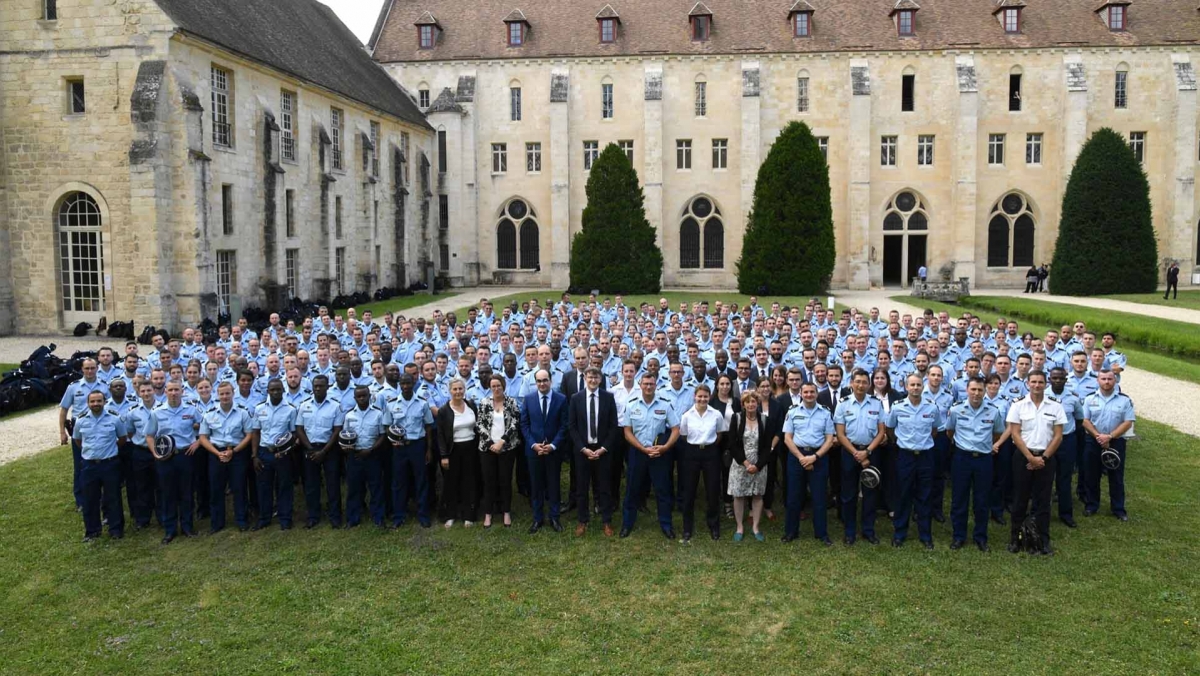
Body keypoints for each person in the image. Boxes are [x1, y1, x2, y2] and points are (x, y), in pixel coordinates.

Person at [1005, 370, 1067, 555]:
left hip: (1046, 458)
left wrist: (1044, 458)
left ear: (1046, 384)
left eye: (1040, 382)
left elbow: (1058, 436)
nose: (1037, 385)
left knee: (1043, 500)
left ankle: (1043, 540)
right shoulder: (1018, 405)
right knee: (1020, 499)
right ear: (1027, 383)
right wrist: (1030, 458)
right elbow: (1015, 433)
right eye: (1033, 382)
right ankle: (1015, 539)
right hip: (1023, 457)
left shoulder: (1055, 406)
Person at [945, 377, 1005, 552]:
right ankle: (958, 536)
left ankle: (980, 537)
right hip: (962, 458)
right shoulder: (956, 410)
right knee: (959, 499)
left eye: (980, 390)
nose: (977, 393)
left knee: (982, 499)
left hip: (984, 459)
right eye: (973, 390)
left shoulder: (993, 411)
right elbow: (950, 432)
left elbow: (997, 433)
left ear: (985, 391)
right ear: (967, 390)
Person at [621, 372, 681, 539]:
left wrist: (665, 447)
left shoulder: (665, 404)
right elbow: (627, 431)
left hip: (659, 454)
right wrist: (642, 448)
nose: (648, 387)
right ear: (640, 385)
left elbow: (676, 429)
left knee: (663, 490)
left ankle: (666, 525)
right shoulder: (632, 404)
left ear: (656, 385)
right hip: (638, 452)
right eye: (645, 384)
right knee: (632, 489)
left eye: (651, 384)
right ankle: (627, 524)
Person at [887, 374, 942, 549]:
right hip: (905, 455)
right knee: (903, 494)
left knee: (925, 495)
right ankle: (899, 533)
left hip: (925, 456)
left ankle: (925, 535)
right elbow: (890, 429)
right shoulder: (898, 407)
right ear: (906, 387)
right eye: (912, 385)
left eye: (919, 384)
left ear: (922, 386)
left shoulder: (932, 408)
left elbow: (935, 430)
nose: (916, 388)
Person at [833, 369, 887, 546]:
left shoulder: (876, 403)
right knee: (848, 494)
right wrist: (857, 453)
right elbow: (840, 434)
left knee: (871, 493)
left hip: (872, 453)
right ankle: (849, 532)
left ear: (869, 384)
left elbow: (881, 432)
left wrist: (868, 452)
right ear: (851, 383)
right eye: (858, 381)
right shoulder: (843, 404)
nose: (861, 385)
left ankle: (868, 530)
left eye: (864, 382)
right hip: (849, 453)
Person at [568, 367, 620, 536]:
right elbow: (572, 426)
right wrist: (582, 448)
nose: (592, 380)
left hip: (602, 450)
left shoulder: (608, 397)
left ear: (600, 379)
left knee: (604, 487)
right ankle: (582, 521)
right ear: (585, 378)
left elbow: (613, 426)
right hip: (583, 450)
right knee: (582, 488)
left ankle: (606, 521)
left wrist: (604, 448)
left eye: (596, 377)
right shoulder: (576, 398)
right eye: (590, 377)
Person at [781, 382, 835, 546]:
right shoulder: (793, 412)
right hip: (797, 457)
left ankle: (821, 533)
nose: (809, 395)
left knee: (819, 498)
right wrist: (801, 457)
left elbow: (829, 439)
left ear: (817, 394)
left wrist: (815, 457)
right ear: (801, 394)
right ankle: (791, 532)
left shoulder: (825, 413)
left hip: (818, 456)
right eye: (806, 392)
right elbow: (787, 438)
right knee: (794, 497)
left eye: (812, 392)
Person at [147, 380, 200, 545]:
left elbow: (204, 429)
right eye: (170, 390)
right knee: (167, 493)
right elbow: (149, 435)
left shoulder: (191, 410)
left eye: (176, 390)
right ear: (165, 392)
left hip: (185, 455)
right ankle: (170, 530)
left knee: (186, 492)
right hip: (165, 459)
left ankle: (187, 527)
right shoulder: (157, 412)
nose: (173, 393)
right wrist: (155, 453)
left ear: (182, 391)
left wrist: (197, 443)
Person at [198, 381, 253, 533]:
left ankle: (242, 520)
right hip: (216, 454)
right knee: (216, 489)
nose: (225, 396)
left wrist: (233, 452)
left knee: (239, 488)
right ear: (217, 395)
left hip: (237, 454)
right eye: (222, 394)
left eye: (227, 393)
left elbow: (249, 435)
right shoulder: (209, 414)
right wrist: (217, 453)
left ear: (233, 394)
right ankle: (217, 523)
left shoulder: (243, 412)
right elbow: (203, 437)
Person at [1081, 370, 1136, 521]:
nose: (1106, 382)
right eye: (1103, 379)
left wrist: (1110, 436)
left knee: (1116, 476)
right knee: (1092, 475)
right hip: (1093, 440)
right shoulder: (1089, 398)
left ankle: (1118, 509)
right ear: (1097, 381)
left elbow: (1128, 421)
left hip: (1116, 441)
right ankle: (1092, 505)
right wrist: (1098, 436)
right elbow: (1085, 420)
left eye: (1110, 379)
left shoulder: (1124, 400)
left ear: (1115, 381)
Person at [73, 390, 127, 542]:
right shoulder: (81, 420)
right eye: (92, 401)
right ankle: (92, 531)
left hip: (110, 464)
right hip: (89, 466)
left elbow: (122, 438)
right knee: (89, 499)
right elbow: (78, 440)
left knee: (113, 498)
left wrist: (110, 450)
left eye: (99, 401)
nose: (96, 404)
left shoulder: (114, 418)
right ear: (88, 403)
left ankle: (116, 529)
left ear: (104, 402)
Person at [520, 369, 569, 533]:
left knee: (554, 484)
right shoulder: (528, 399)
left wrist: (553, 445)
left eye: (545, 380)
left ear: (551, 381)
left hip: (553, 451)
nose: (542, 384)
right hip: (534, 451)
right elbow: (524, 425)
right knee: (536, 486)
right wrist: (534, 444)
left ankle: (554, 517)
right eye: (539, 381)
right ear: (535, 382)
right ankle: (537, 518)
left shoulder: (561, 399)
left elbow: (564, 425)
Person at [678, 384, 728, 542]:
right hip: (691, 452)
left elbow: (719, 434)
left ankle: (713, 525)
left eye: (705, 396)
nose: (702, 399)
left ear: (709, 397)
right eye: (699, 396)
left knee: (712, 490)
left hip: (710, 452)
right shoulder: (687, 415)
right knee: (689, 491)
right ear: (694, 396)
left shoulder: (716, 414)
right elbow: (684, 435)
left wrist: (708, 445)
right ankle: (687, 528)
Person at [383, 373, 434, 529]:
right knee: (398, 482)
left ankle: (423, 515)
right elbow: (386, 426)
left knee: (421, 481)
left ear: (413, 383)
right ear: (399, 384)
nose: (405, 386)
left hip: (417, 445)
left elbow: (428, 426)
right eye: (403, 383)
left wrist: (429, 449)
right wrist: (393, 440)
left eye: (408, 383)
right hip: (399, 448)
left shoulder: (422, 403)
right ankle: (399, 515)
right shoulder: (391, 404)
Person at [296, 375, 345, 529]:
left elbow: (337, 430)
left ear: (327, 386)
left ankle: (335, 516)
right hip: (310, 448)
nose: (318, 388)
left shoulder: (335, 406)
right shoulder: (304, 405)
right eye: (315, 386)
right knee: (311, 485)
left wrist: (323, 451)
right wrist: (310, 449)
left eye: (321, 386)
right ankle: (313, 516)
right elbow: (299, 428)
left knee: (333, 484)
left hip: (329, 450)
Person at [59, 358, 109, 510]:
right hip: (81, 430)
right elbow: (64, 409)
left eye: (93, 368)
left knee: (101, 463)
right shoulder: (74, 387)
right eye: (87, 368)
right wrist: (62, 431)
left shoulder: (104, 386)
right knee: (80, 465)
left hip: (101, 428)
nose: (90, 371)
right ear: (82, 369)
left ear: (97, 368)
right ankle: (81, 500)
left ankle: (100, 498)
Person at [250, 379, 298, 531]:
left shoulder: (290, 409)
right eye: (273, 390)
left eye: (278, 389)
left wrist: (285, 451)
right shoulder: (259, 409)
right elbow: (256, 433)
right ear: (268, 391)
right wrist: (255, 455)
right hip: (264, 452)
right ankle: (264, 518)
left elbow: (294, 434)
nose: (276, 392)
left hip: (282, 454)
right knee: (264, 486)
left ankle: (285, 518)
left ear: (283, 390)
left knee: (284, 486)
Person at [477, 374, 521, 528]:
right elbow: (479, 424)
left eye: (499, 385)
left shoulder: (511, 402)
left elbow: (515, 423)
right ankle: (488, 514)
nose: (496, 388)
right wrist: (491, 443)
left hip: (507, 448)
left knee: (505, 481)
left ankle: (506, 512)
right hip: (487, 449)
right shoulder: (483, 403)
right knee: (489, 481)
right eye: (493, 386)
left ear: (504, 386)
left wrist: (502, 441)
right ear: (490, 387)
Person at [343, 385, 389, 528]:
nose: (362, 398)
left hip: (372, 456)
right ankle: (353, 518)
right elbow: (345, 435)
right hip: (355, 457)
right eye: (359, 396)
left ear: (370, 396)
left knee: (376, 488)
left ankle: (378, 517)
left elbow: (382, 435)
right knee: (354, 488)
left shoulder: (378, 414)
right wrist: (348, 447)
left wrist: (371, 449)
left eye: (364, 395)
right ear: (354, 398)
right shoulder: (349, 415)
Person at [727, 390, 770, 542]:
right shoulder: (736, 418)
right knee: (738, 495)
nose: (751, 404)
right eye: (748, 402)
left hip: (759, 464)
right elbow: (731, 444)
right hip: (740, 464)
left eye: (754, 402)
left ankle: (756, 527)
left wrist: (757, 465)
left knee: (757, 495)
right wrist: (745, 463)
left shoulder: (764, 419)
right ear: (743, 404)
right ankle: (739, 527)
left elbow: (767, 446)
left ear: (758, 403)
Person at [437, 378, 479, 528]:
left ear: (464, 390)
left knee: (469, 481)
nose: (458, 392)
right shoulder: (444, 410)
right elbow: (441, 435)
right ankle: (451, 515)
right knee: (451, 483)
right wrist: (444, 456)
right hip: (452, 450)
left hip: (471, 449)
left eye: (460, 389)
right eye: (455, 389)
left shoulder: (471, 405)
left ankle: (469, 515)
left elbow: (477, 428)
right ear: (450, 391)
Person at [1046, 367, 1083, 528]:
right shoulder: (1043, 395)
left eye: (1061, 378)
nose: (1058, 381)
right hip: (1047, 441)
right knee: (1044, 478)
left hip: (1067, 441)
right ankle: (1042, 512)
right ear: (1049, 379)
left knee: (1064, 478)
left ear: (1066, 380)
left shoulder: (1073, 398)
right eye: (1054, 378)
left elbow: (1079, 419)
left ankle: (1065, 513)